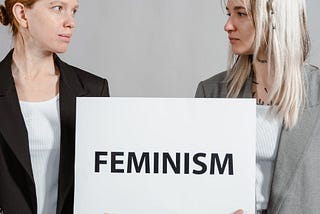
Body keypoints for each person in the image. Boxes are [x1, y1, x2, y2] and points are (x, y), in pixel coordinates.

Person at [195, 0, 320, 213]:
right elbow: (193, 185)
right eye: (229, 13)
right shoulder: (211, 93)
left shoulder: (316, 93)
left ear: (275, 17)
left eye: (241, 14)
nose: (228, 25)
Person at [0, 0, 109, 213]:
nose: (71, 22)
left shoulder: (94, 90)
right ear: (22, 14)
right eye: (58, 8)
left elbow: (105, 180)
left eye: (74, 11)